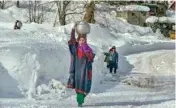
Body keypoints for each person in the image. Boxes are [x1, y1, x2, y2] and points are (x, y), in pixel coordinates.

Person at [67, 22, 95, 107]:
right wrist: (73, 29)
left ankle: (80, 101)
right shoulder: (75, 47)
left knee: (84, 87)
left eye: (83, 40)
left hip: (85, 71)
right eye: (80, 40)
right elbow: (72, 40)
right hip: (76, 70)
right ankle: (80, 101)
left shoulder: (88, 48)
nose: (82, 41)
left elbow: (91, 58)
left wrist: (87, 53)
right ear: (78, 40)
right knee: (78, 86)